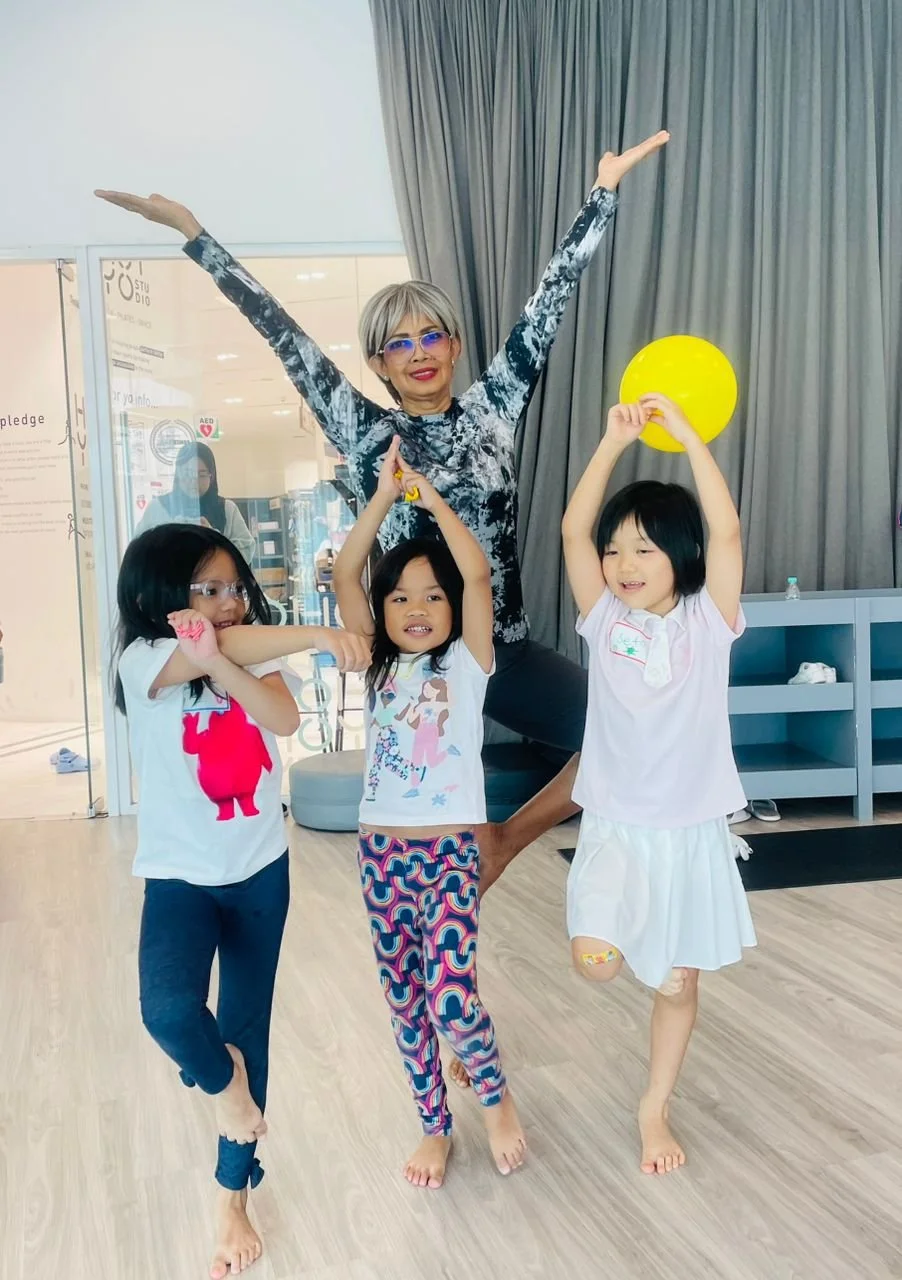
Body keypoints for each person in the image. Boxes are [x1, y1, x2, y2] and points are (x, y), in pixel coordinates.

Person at [95, 129, 669, 880]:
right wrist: (194, 236)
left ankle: (504, 841)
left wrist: (603, 194)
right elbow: (280, 333)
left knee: (624, 727)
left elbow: (548, 305)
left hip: (501, 647)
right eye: (399, 344)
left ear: (454, 346)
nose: (419, 351)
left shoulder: (494, 408)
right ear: (379, 363)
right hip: (409, 655)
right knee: (417, 819)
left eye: (432, 335)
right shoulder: (366, 430)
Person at [115, 523, 368, 1278]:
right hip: (180, 879)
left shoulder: (248, 656)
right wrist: (316, 633)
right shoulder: (141, 660)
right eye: (207, 588)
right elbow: (199, 652)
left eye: (234, 587)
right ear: (158, 595)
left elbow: (282, 720)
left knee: (245, 1029)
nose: (227, 601)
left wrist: (221, 661)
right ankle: (228, 1089)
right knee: (169, 1012)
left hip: (260, 871)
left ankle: (233, 1199)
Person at [560, 394, 757, 1175]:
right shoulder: (604, 619)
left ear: (680, 552)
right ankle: (632, 949)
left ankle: (655, 1106)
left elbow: (729, 532)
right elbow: (571, 531)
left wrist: (688, 439)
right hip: (615, 826)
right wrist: (612, 443)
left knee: (677, 984)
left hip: (690, 833)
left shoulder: (710, 622)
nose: (623, 565)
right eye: (615, 551)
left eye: (643, 549)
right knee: (597, 962)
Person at [333, 436, 527, 1189]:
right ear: (382, 611)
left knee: (451, 992)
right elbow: (347, 571)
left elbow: (475, 571)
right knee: (406, 999)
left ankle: (496, 1100)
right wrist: (383, 496)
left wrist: (429, 498)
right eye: (401, 597)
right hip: (380, 854)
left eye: (432, 596)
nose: (416, 609)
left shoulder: (467, 664)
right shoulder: (375, 660)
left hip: (449, 852)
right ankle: (433, 1126)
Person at [134, 441, 256, 565]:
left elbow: (246, 550)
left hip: (215, 577)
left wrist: (214, 537)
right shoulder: (158, 507)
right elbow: (138, 551)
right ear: (178, 474)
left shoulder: (226, 508)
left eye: (202, 475)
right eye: (187, 473)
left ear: (212, 476)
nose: (194, 481)